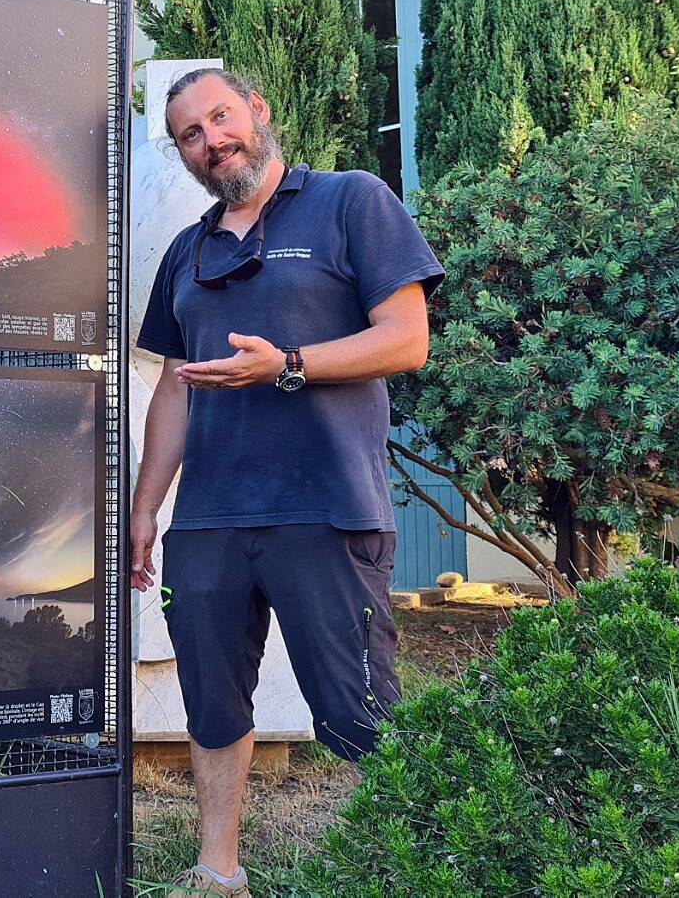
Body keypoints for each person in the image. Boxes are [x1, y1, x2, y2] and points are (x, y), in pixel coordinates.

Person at [131, 68, 444, 897]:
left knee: (359, 709)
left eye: (220, 118)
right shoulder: (188, 251)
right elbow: (173, 385)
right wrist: (144, 510)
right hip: (209, 521)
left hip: (327, 508)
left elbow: (406, 339)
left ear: (258, 110)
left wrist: (288, 366)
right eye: (190, 135)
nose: (211, 141)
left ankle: (421, 863)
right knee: (213, 703)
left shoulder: (350, 200)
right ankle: (218, 870)